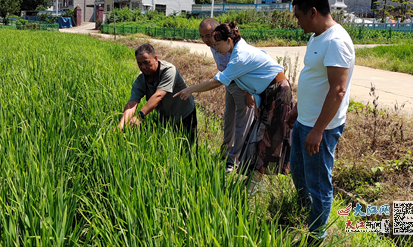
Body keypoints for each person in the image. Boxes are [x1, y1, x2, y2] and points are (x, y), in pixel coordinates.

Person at [175, 21, 293, 195]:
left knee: (267, 139)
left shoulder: (240, 56)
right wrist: (260, 102)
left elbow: (218, 81)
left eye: (217, 44)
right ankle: (253, 184)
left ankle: (255, 186)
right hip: (268, 93)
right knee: (259, 137)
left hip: (277, 94)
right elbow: (259, 77)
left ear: (229, 40)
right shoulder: (239, 51)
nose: (216, 48)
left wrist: (191, 89)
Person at [285, 0, 355, 240]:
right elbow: (313, 78)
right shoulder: (316, 36)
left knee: (318, 184)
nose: (297, 21)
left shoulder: (336, 41)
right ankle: (305, 215)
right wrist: (297, 110)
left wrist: (317, 130)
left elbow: (337, 90)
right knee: (298, 172)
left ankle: (315, 236)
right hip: (305, 120)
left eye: (298, 16)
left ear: (313, 12)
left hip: (322, 128)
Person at [199, 18, 254, 173]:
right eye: (202, 36)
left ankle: (234, 161)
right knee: (228, 121)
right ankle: (225, 154)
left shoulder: (234, 47)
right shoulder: (214, 45)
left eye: (208, 36)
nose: (205, 40)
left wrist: (249, 93)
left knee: (241, 125)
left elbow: (247, 68)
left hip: (243, 85)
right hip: (229, 85)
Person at [119, 43, 197, 147]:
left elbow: (158, 95)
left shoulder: (169, 70)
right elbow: (132, 103)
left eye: (146, 63)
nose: (143, 67)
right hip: (165, 116)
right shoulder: (141, 80)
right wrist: (121, 126)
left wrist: (140, 115)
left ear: (156, 58)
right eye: (140, 64)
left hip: (184, 114)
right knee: (166, 147)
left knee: (189, 149)